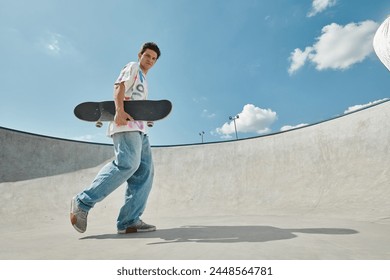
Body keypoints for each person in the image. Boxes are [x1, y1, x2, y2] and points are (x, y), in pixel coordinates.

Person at [70, 42, 161, 234]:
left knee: (145, 174)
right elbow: (119, 86)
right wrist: (119, 110)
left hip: (140, 130)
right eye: (147, 56)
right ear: (140, 55)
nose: (150, 61)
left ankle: (129, 220)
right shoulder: (133, 67)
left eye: (153, 59)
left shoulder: (144, 80)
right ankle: (83, 201)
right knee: (126, 164)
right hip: (125, 123)